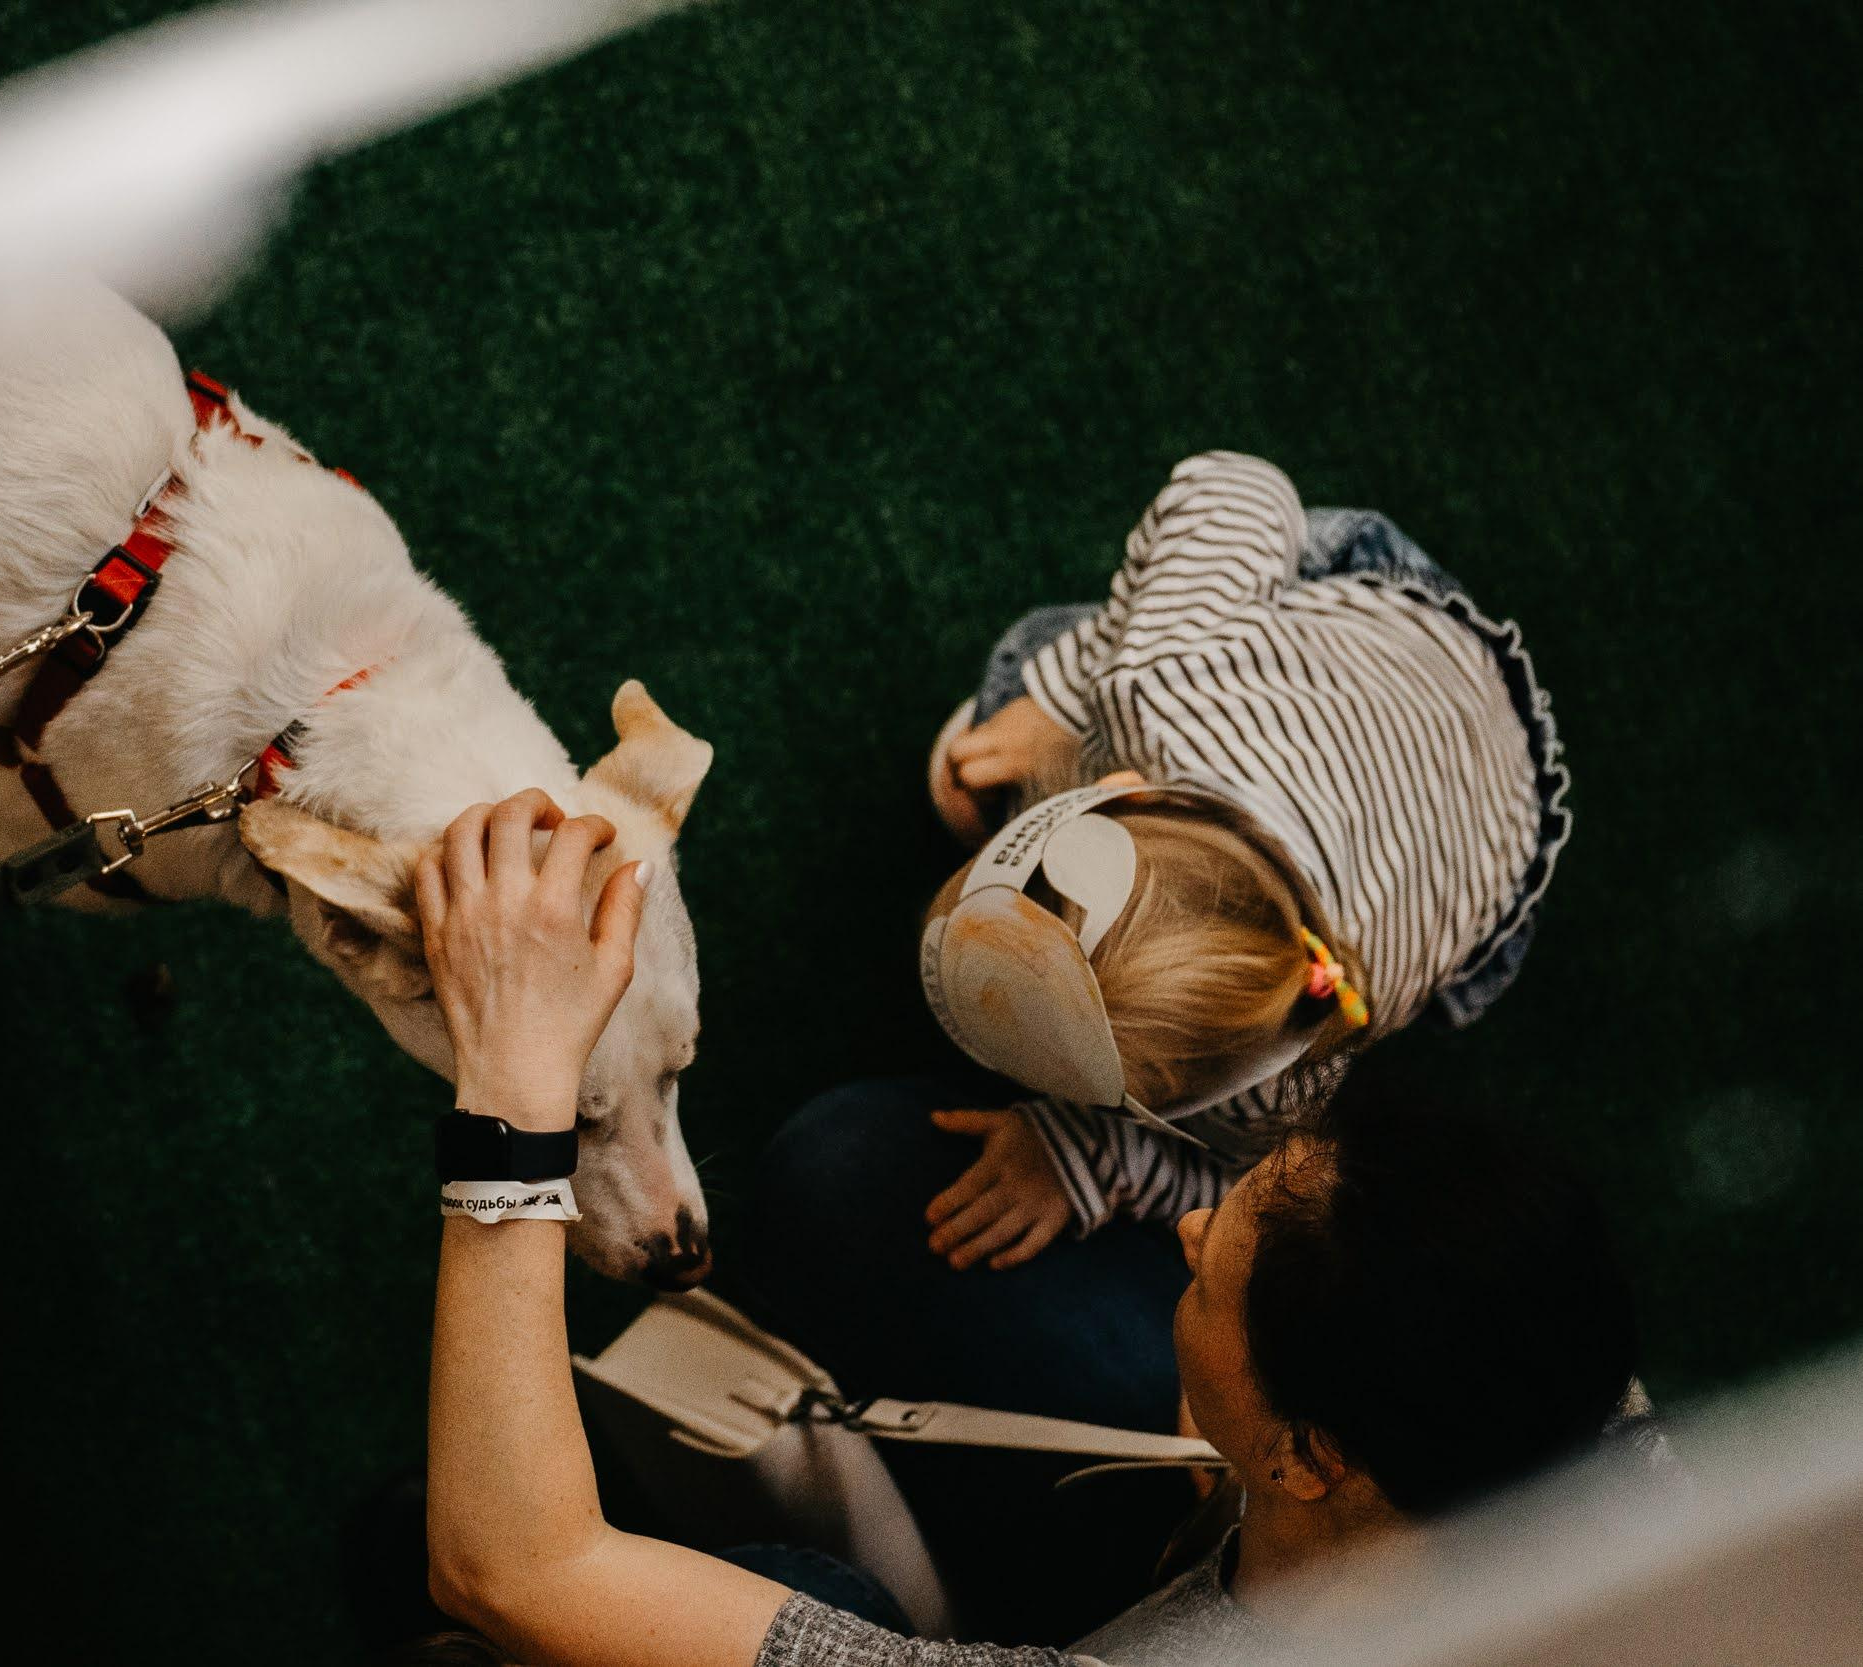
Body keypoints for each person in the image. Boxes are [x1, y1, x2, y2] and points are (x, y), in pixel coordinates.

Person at [416, 790, 1638, 1667]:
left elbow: (519, 1568)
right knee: (851, 1178)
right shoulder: (1589, 1427)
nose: (1192, 1226)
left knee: (792, 1594)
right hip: (1240, 1525)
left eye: (1231, 1256)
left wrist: (517, 1079)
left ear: (1309, 1456)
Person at [732, 450, 1574, 1630]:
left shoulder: (1284, 1078)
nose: (1191, 1227)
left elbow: (1224, 1169)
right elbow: (1235, 487)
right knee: (996, 734)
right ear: (1122, 785)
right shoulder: (1165, 685)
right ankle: (1037, 717)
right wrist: (1058, 718)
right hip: (1380, 621)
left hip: (1472, 828)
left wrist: (1087, 1157)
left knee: (954, 772)